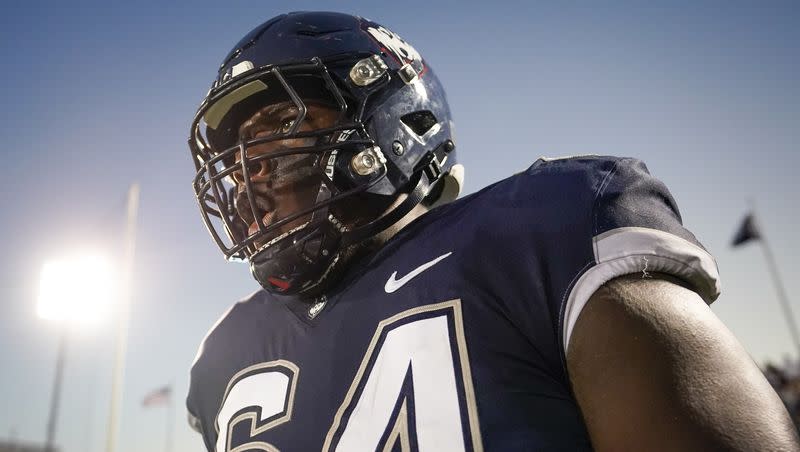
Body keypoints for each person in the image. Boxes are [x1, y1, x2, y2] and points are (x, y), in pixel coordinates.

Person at [185, 11, 799, 451]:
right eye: (236, 149)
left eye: (280, 122)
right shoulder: (227, 351)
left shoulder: (542, 226)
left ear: (396, 119)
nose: (249, 168)